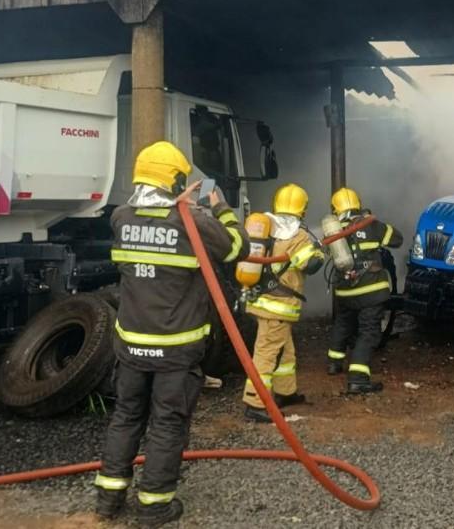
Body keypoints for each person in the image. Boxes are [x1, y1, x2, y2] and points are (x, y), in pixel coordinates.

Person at [95, 141, 249, 526]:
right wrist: (220, 209)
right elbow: (237, 249)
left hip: (130, 343)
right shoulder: (192, 222)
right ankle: (154, 504)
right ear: (178, 180)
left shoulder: (120, 217)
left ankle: (108, 500)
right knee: (167, 422)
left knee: (127, 416)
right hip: (176, 350)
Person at [242, 183, 324, 423]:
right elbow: (310, 265)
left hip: (262, 299)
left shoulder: (266, 228)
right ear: (303, 209)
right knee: (266, 354)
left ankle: (285, 393)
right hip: (278, 304)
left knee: (285, 351)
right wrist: (320, 252)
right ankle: (254, 403)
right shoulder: (297, 236)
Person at [326, 187, 403, 394]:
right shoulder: (371, 224)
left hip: (345, 291)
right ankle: (358, 378)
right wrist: (372, 223)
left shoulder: (334, 231)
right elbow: (397, 239)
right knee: (368, 331)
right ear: (358, 204)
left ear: (335, 208)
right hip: (370, 290)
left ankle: (334, 363)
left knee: (343, 322)